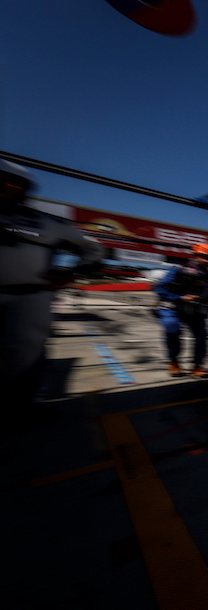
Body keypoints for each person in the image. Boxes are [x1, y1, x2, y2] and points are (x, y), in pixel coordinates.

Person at [0, 160, 105, 420]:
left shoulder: (46, 223)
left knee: (25, 353)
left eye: (11, 184)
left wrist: (72, 272)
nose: (4, 188)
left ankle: (25, 409)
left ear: (23, 190)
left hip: (30, 296)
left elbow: (93, 249)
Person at [153, 243, 208, 378]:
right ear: (195, 256)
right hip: (173, 307)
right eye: (205, 258)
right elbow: (160, 289)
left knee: (202, 337)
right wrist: (180, 297)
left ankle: (198, 366)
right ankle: (173, 361)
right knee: (172, 327)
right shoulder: (178, 270)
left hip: (196, 311)